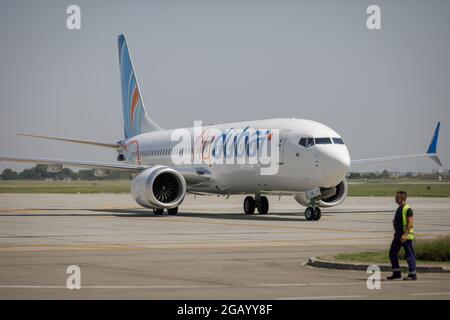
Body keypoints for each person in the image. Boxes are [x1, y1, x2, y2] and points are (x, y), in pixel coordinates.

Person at [387, 191, 417, 280]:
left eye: (396, 197)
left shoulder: (407, 208)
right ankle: (396, 273)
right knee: (392, 253)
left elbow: (410, 222)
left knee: (409, 255)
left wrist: (405, 234)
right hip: (398, 235)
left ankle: (412, 274)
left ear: (401, 198)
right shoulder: (399, 208)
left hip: (405, 236)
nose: (395, 199)